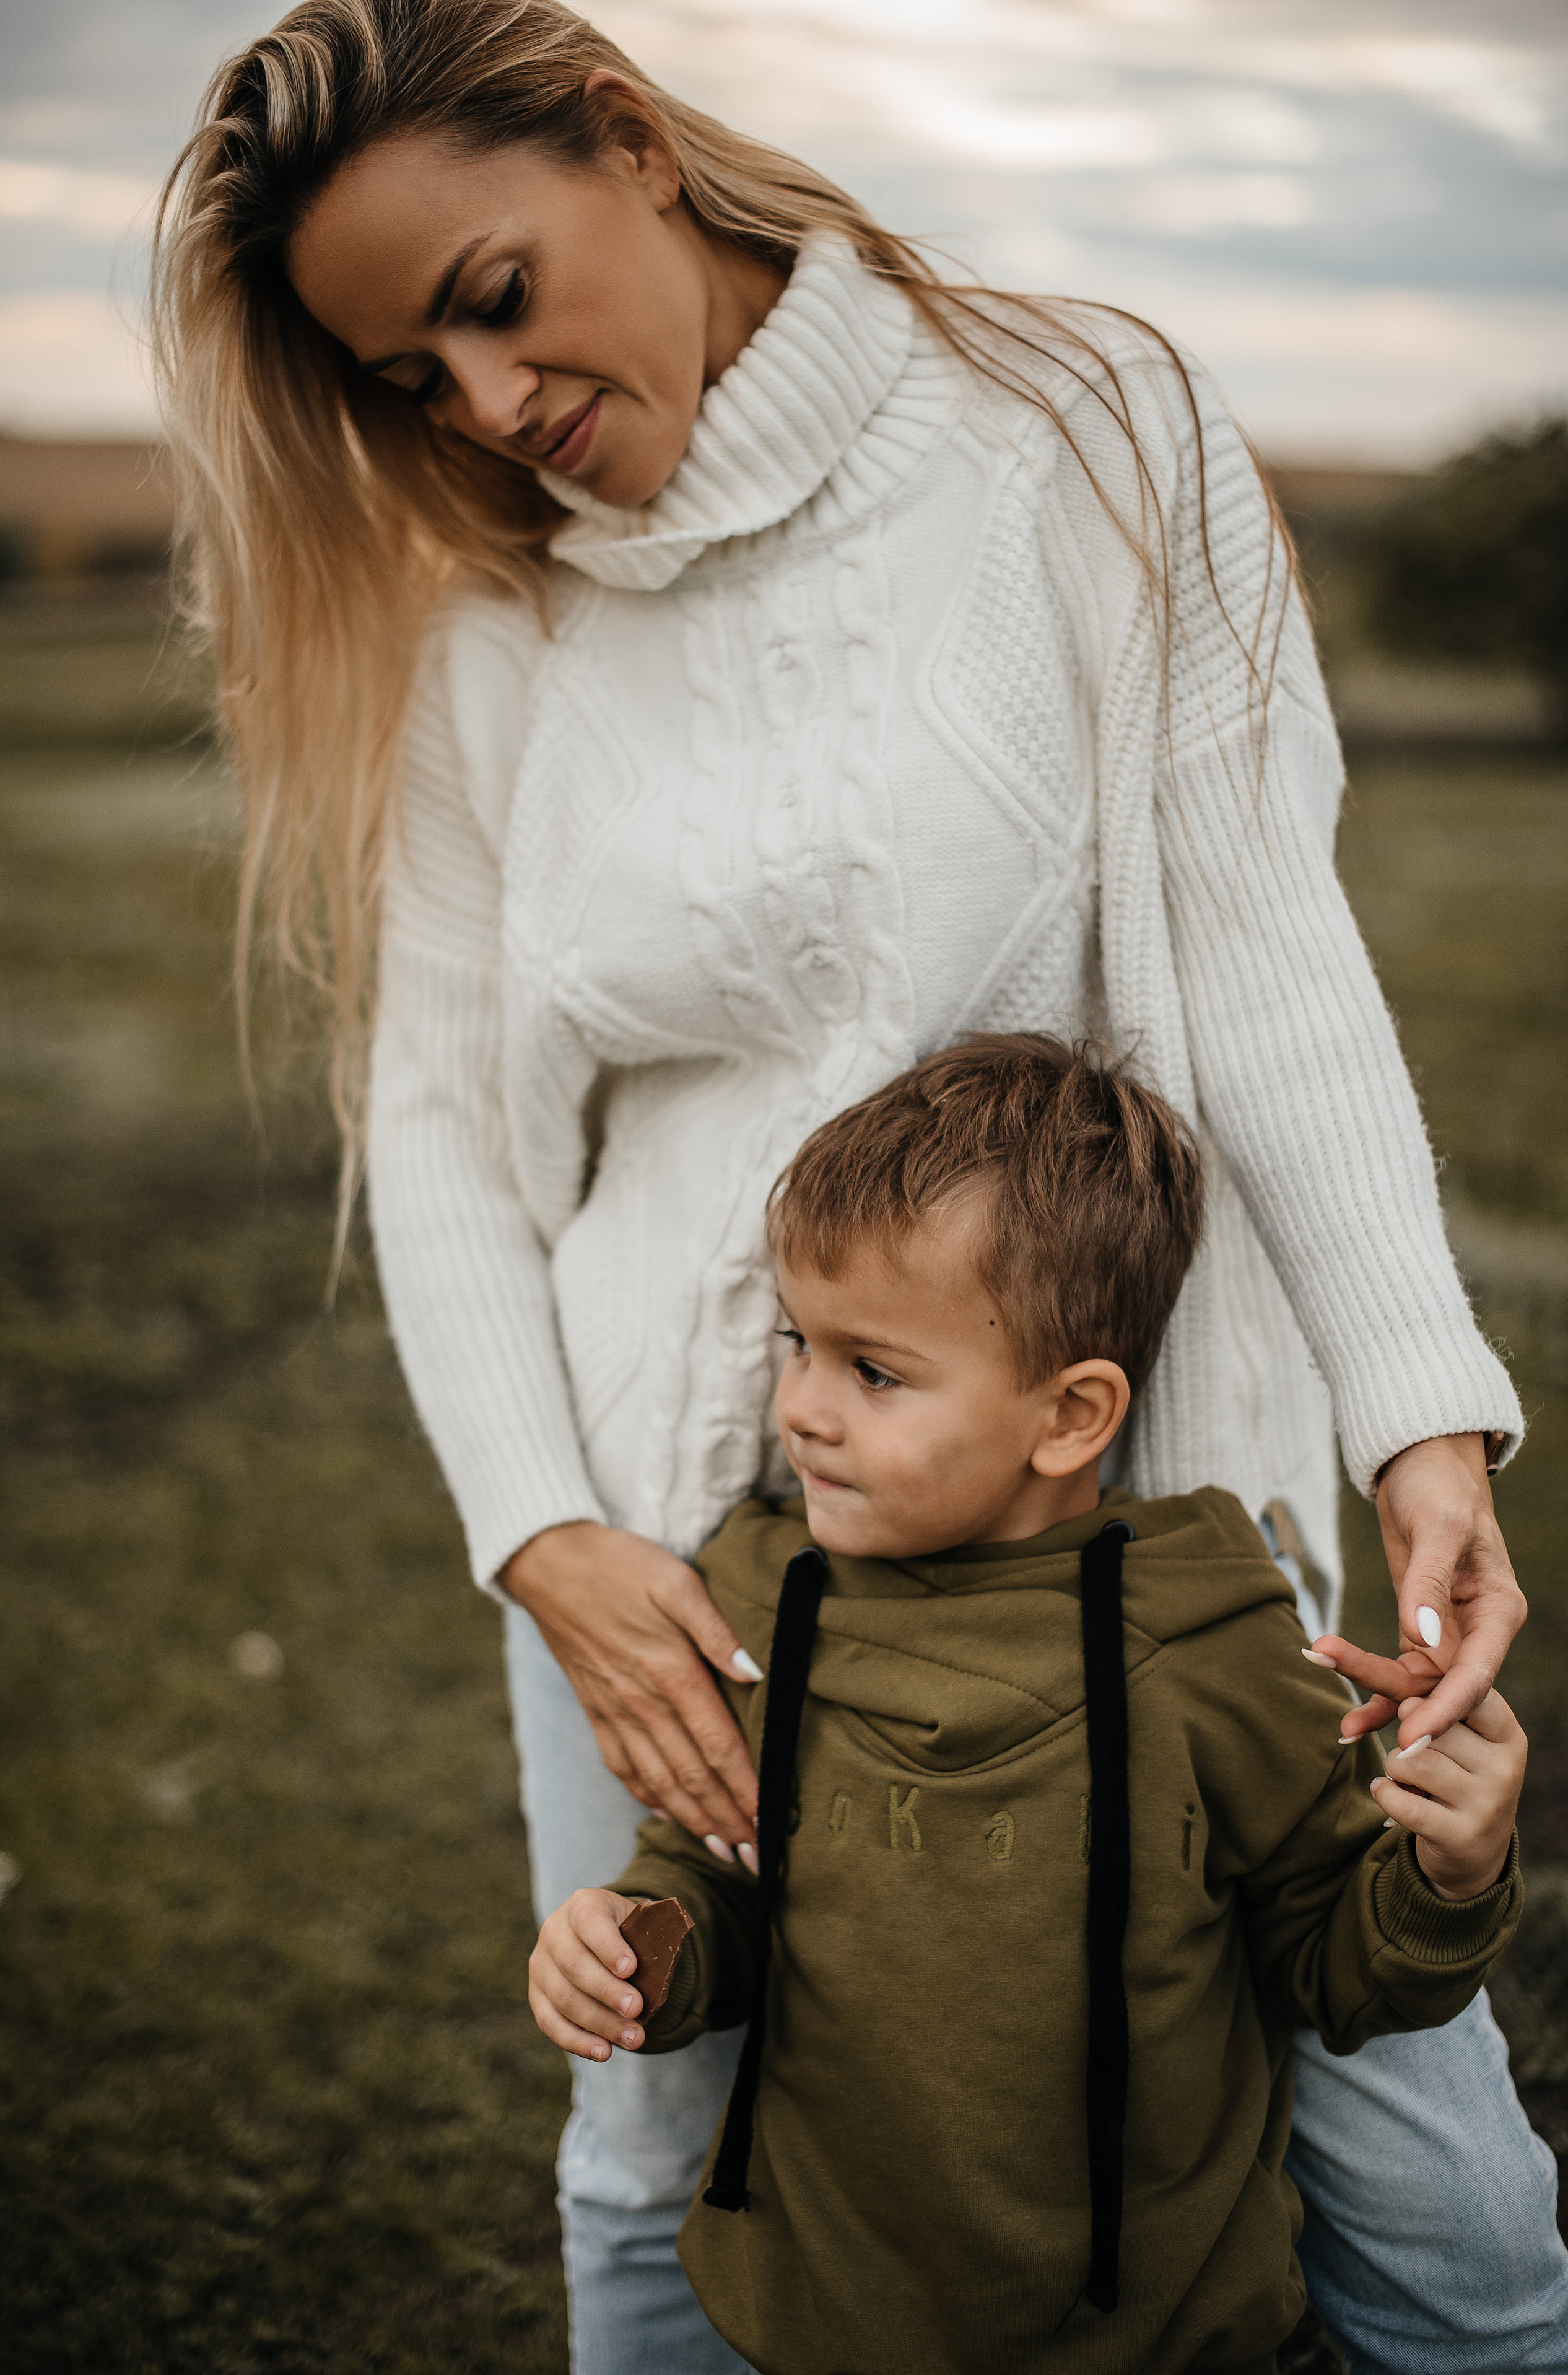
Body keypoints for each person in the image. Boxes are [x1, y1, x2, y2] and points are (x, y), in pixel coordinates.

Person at [150, 3, 1567, 2368]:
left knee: (1423, 2181)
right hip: (658, 1557)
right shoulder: (487, 608)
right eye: (410, 377)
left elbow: (1262, 940)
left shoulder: (1087, 431)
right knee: (656, 2148)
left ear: (625, 135)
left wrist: (1422, 1408)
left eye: (493, 296)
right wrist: (547, 1540)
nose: (485, 409)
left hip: (1126, 1503)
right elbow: (443, 1135)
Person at [529, 1034, 1528, 2374]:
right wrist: (636, 1941)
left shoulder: (1208, 1644)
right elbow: (717, 1874)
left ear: (1069, 1417)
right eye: (795, 1345)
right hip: (827, 2327)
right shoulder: (763, 1602)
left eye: (871, 1372)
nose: (802, 1414)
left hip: (1154, 2340)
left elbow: (1331, 1968)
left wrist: (1448, 1875)